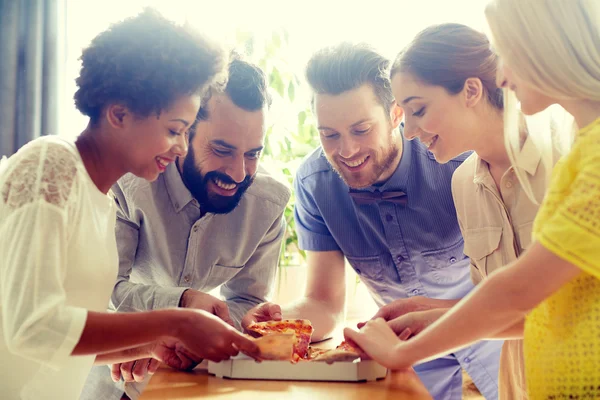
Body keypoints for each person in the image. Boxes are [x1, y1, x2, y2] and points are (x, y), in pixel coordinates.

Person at [345, 0, 600, 398]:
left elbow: (518, 293)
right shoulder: (464, 182)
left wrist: (403, 352)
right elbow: (531, 310)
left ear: (470, 91)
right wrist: (433, 315)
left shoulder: (574, 157)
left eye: (418, 110)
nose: (501, 74)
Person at [0, 9, 259, 400]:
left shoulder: (100, 200)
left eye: (187, 132)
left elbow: (59, 342)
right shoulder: (49, 164)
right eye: (174, 130)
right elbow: (30, 327)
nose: (182, 148)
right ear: (119, 113)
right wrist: (175, 320)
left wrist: (149, 345)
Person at [282, 42, 502, 399]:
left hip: (495, 336)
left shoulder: (459, 160)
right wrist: (281, 319)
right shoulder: (314, 185)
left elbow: (518, 286)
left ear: (396, 114)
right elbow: (323, 303)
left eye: (361, 129)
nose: (347, 151)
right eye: (330, 135)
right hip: (408, 356)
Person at [82, 55, 290, 400]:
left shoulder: (267, 203)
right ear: (183, 133)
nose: (239, 173)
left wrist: (222, 325)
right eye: (221, 150)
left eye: (253, 154)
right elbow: (102, 293)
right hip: (105, 375)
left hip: (196, 383)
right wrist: (182, 306)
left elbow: (246, 302)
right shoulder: (127, 180)